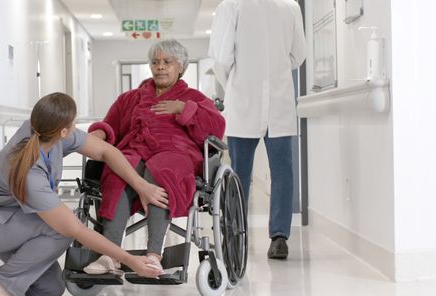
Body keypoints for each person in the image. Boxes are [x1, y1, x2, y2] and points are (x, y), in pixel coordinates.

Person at [0, 92, 168, 296]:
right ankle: (0, 285)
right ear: (64, 130)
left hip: (14, 220)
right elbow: (75, 230)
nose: (77, 127)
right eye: (74, 123)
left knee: (49, 290)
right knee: (61, 229)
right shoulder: (30, 173)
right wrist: (130, 260)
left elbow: (106, 152)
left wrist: (142, 186)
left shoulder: (47, 132)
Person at [83, 39, 225, 274]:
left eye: (167, 62)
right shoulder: (131, 98)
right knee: (117, 172)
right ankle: (110, 255)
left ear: (181, 66)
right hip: (136, 150)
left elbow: (216, 127)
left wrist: (183, 109)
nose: (160, 67)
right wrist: (96, 134)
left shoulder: (194, 97)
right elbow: (111, 125)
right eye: (155, 62)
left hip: (176, 152)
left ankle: (153, 255)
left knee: (162, 170)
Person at [208, 0, 306, 259]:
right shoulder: (291, 6)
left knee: (239, 173)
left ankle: (234, 235)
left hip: (244, 102)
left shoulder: (231, 5)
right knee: (283, 170)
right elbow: (298, 55)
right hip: (280, 102)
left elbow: (221, 58)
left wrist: (237, 83)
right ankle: (279, 238)